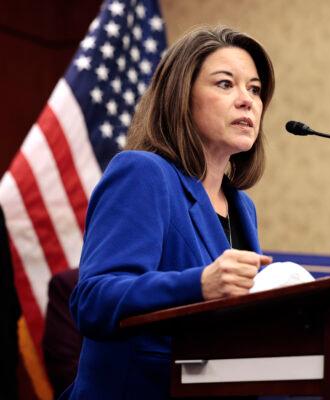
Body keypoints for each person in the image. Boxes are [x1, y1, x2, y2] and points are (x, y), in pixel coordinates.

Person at [61, 26, 275, 399]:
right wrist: (199, 284)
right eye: (226, 84)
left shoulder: (243, 206)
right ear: (182, 97)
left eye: (254, 89)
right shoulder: (144, 173)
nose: (247, 101)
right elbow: (93, 299)